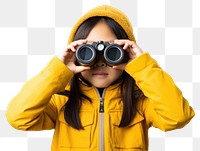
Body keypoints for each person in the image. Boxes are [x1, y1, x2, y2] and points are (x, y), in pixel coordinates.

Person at [6, 5, 195, 151]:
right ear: (74, 52)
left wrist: (142, 66)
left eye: (113, 52)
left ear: (127, 52)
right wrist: (59, 69)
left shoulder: (139, 102)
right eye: (87, 52)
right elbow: (18, 117)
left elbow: (178, 116)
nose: (100, 61)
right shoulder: (62, 101)